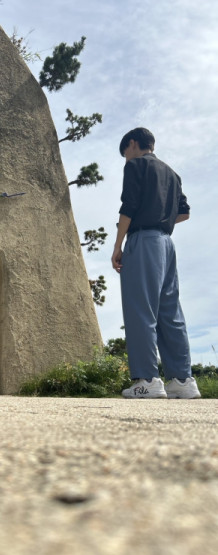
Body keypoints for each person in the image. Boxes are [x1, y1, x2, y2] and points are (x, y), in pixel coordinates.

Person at [111, 127, 201, 399]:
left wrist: (118, 245)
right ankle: (182, 380)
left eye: (125, 152)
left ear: (134, 144)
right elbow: (183, 213)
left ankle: (147, 379)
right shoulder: (172, 174)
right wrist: (158, 218)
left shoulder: (136, 166)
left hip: (143, 241)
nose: (126, 158)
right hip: (166, 244)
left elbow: (128, 206)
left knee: (141, 311)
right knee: (170, 313)